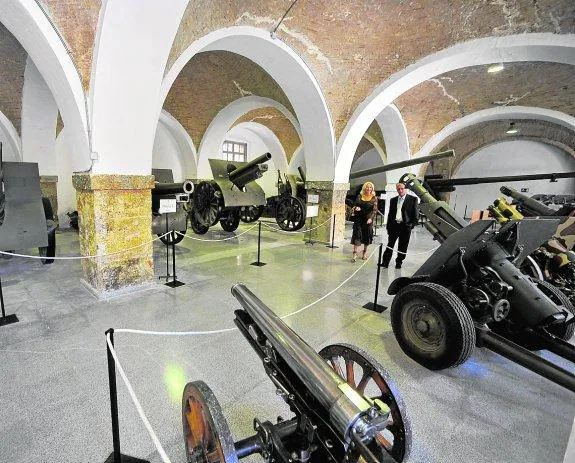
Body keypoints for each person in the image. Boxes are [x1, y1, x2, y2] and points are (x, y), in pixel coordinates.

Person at [382, 182, 418, 269]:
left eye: (402, 188)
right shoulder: (393, 200)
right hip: (394, 226)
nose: (400, 190)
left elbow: (415, 214)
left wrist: (411, 225)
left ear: (405, 189)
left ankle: (399, 262)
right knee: (390, 245)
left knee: (403, 246)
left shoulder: (413, 199)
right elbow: (390, 214)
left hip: (405, 227)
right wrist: (388, 227)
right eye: (398, 189)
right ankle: (385, 263)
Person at [350, 181, 378, 262]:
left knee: (367, 236)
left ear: (372, 189)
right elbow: (355, 206)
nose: (368, 188)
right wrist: (356, 208)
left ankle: (365, 252)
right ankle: (354, 253)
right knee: (357, 235)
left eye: (370, 187)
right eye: (367, 187)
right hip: (359, 219)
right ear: (364, 188)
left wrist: (371, 218)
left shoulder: (374, 198)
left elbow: (375, 210)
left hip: (368, 219)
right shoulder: (359, 196)